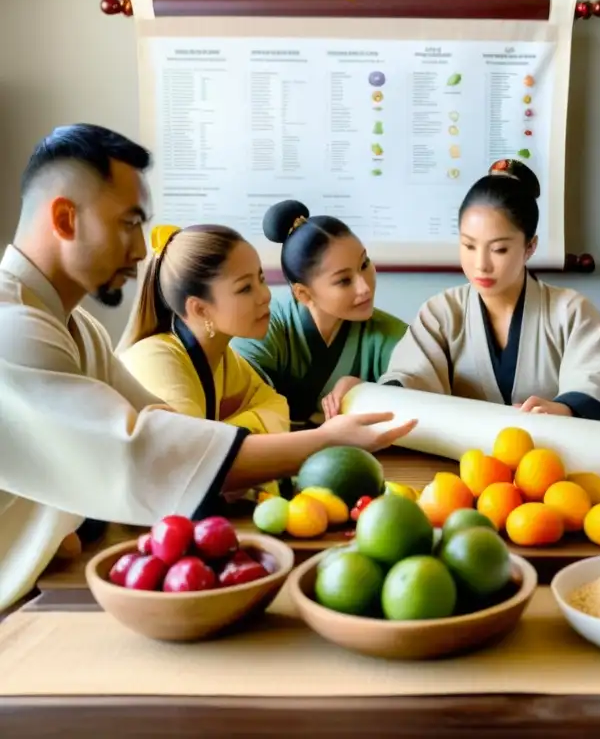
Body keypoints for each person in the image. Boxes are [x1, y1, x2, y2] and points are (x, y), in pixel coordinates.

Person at [0, 124, 415, 613]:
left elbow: (167, 425)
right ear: (66, 219)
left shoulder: (79, 327)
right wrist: (327, 440)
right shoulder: (13, 327)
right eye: (128, 223)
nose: (140, 251)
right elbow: (146, 451)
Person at [379, 159, 600, 424]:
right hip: (461, 459)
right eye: (469, 246)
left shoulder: (570, 313)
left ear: (530, 247)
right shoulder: (441, 313)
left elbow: (599, 385)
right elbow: (409, 377)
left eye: (499, 249)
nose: (481, 264)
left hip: (548, 458)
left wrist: (566, 409)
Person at [116, 223, 290, 502]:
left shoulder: (226, 358)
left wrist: (224, 433)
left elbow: (277, 406)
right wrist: (232, 438)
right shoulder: (156, 360)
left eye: (261, 279)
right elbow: (192, 467)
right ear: (199, 308)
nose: (265, 295)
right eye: (245, 288)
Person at [230, 200, 407, 429]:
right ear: (303, 293)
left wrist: (362, 391)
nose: (364, 287)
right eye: (344, 280)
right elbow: (236, 401)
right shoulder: (262, 325)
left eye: (364, 264)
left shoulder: (390, 333)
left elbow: (420, 398)